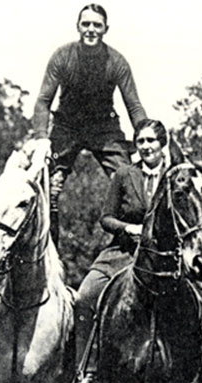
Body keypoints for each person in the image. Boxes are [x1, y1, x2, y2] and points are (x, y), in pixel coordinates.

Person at [62, 118, 202, 383]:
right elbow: (106, 218)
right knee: (85, 295)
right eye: (141, 141)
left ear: (163, 145)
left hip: (165, 258)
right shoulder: (124, 174)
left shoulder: (176, 177)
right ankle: (85, 372)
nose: (145, 147)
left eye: (151, 141)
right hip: (122, 252)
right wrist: (128, 228)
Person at [28, 3, 148, 244]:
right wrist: (42, 137)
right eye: (86, 24)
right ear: (78, 27)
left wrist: (148, 135)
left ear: (105, 29)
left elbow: (133, 105)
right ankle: (47, 251)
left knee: (131, 184)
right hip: (67, 126)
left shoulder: (116, 62)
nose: (91, 29)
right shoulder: (63, 57)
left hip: (104, 128)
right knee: (46, 189)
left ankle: (132, 245)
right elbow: (43, 101)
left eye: (97, 25)